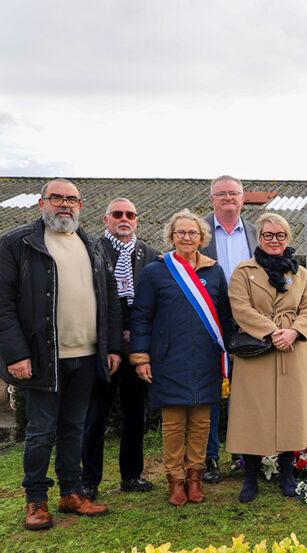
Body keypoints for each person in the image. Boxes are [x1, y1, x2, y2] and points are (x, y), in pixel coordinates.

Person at [0, 179, 120, 530]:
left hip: (86, 354)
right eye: (57, 198)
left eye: (71, 199)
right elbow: (3, 305)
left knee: (74, 427)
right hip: (40, 357)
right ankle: (36, 500)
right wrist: (15, 354)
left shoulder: (93, 244)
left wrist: (112, 347)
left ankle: (71, 492)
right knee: (40, 431)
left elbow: (110, 300)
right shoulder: (16, 243)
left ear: (80, 206)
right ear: (42, 204)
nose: (64, 204)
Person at [130, 210, 232, 506]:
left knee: (201, 423)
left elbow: (224, 317)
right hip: (167, 359)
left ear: (202, 238)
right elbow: (141, 317)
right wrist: (140, 357)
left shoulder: (215, 272)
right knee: (174, 424)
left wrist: (230, 354)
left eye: (193, 233)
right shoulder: (155, 271)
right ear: (171, 237)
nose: (187, 237)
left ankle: (195, 478)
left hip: (206, 358)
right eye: (180, 233)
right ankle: (175, 480)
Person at [226, 213, 307, 502]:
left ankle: (287, 473)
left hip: (293, 351)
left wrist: (293, 332)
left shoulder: (301, 274)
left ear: (288, 238)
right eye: (268, 235)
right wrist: (272, 332)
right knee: (253, 414)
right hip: (257, 350)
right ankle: (250, 477)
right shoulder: (244, 271)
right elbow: (241, 308)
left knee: (291, 413)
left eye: (280, 235)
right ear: (259, 237)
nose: (274, 240)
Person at [81, 198, 161, 500]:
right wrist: (115, 338)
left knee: (135, 414)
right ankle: (89, 480)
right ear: (106, 220)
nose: (124, 218)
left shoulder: (152, 256)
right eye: (117, 214)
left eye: (130, 214)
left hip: (138, 348)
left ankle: (131, 475)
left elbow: (154, 303)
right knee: (96, 414)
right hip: (104, 347)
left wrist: (138, 338)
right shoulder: (92, 252)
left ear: (137, 220)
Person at [199, 175, 258, 483]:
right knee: (211, 391)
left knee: (245, 391)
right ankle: (210, 458)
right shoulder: (199, 233)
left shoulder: (255, 233)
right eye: (221, 194)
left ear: (242, 198)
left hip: (247, 323)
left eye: (233, 193)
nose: (227, 198)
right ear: (212, 199)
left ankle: (241, 451)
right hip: (209, 321)